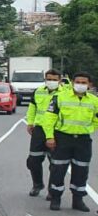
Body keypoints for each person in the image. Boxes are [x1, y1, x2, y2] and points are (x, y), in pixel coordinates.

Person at [40, 72, 98, 212]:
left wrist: (89, 129)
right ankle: (55, 198)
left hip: (83, 140)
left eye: (84, 83)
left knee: (81, 171)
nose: (80, 85)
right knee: (58, 170)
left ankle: (77, 200)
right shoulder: (60, 97)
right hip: (63, 138)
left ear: (89, 85)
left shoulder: (94, 101)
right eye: (77, 82)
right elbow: (49, 118)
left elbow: (96, 119)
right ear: (72, 82)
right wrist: (49, 137)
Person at [25, 69, 64, 197]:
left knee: (55, 164)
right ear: (45, 79)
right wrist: (30, 123)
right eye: (49, 79)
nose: (51, 81)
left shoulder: (65, 94)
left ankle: (52, 190)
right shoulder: (38, 91)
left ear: (60, 80)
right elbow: (32, 108)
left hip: (57, 131)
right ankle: (37, 184)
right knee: (33, 160)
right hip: (40, 130)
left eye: (54, 79)